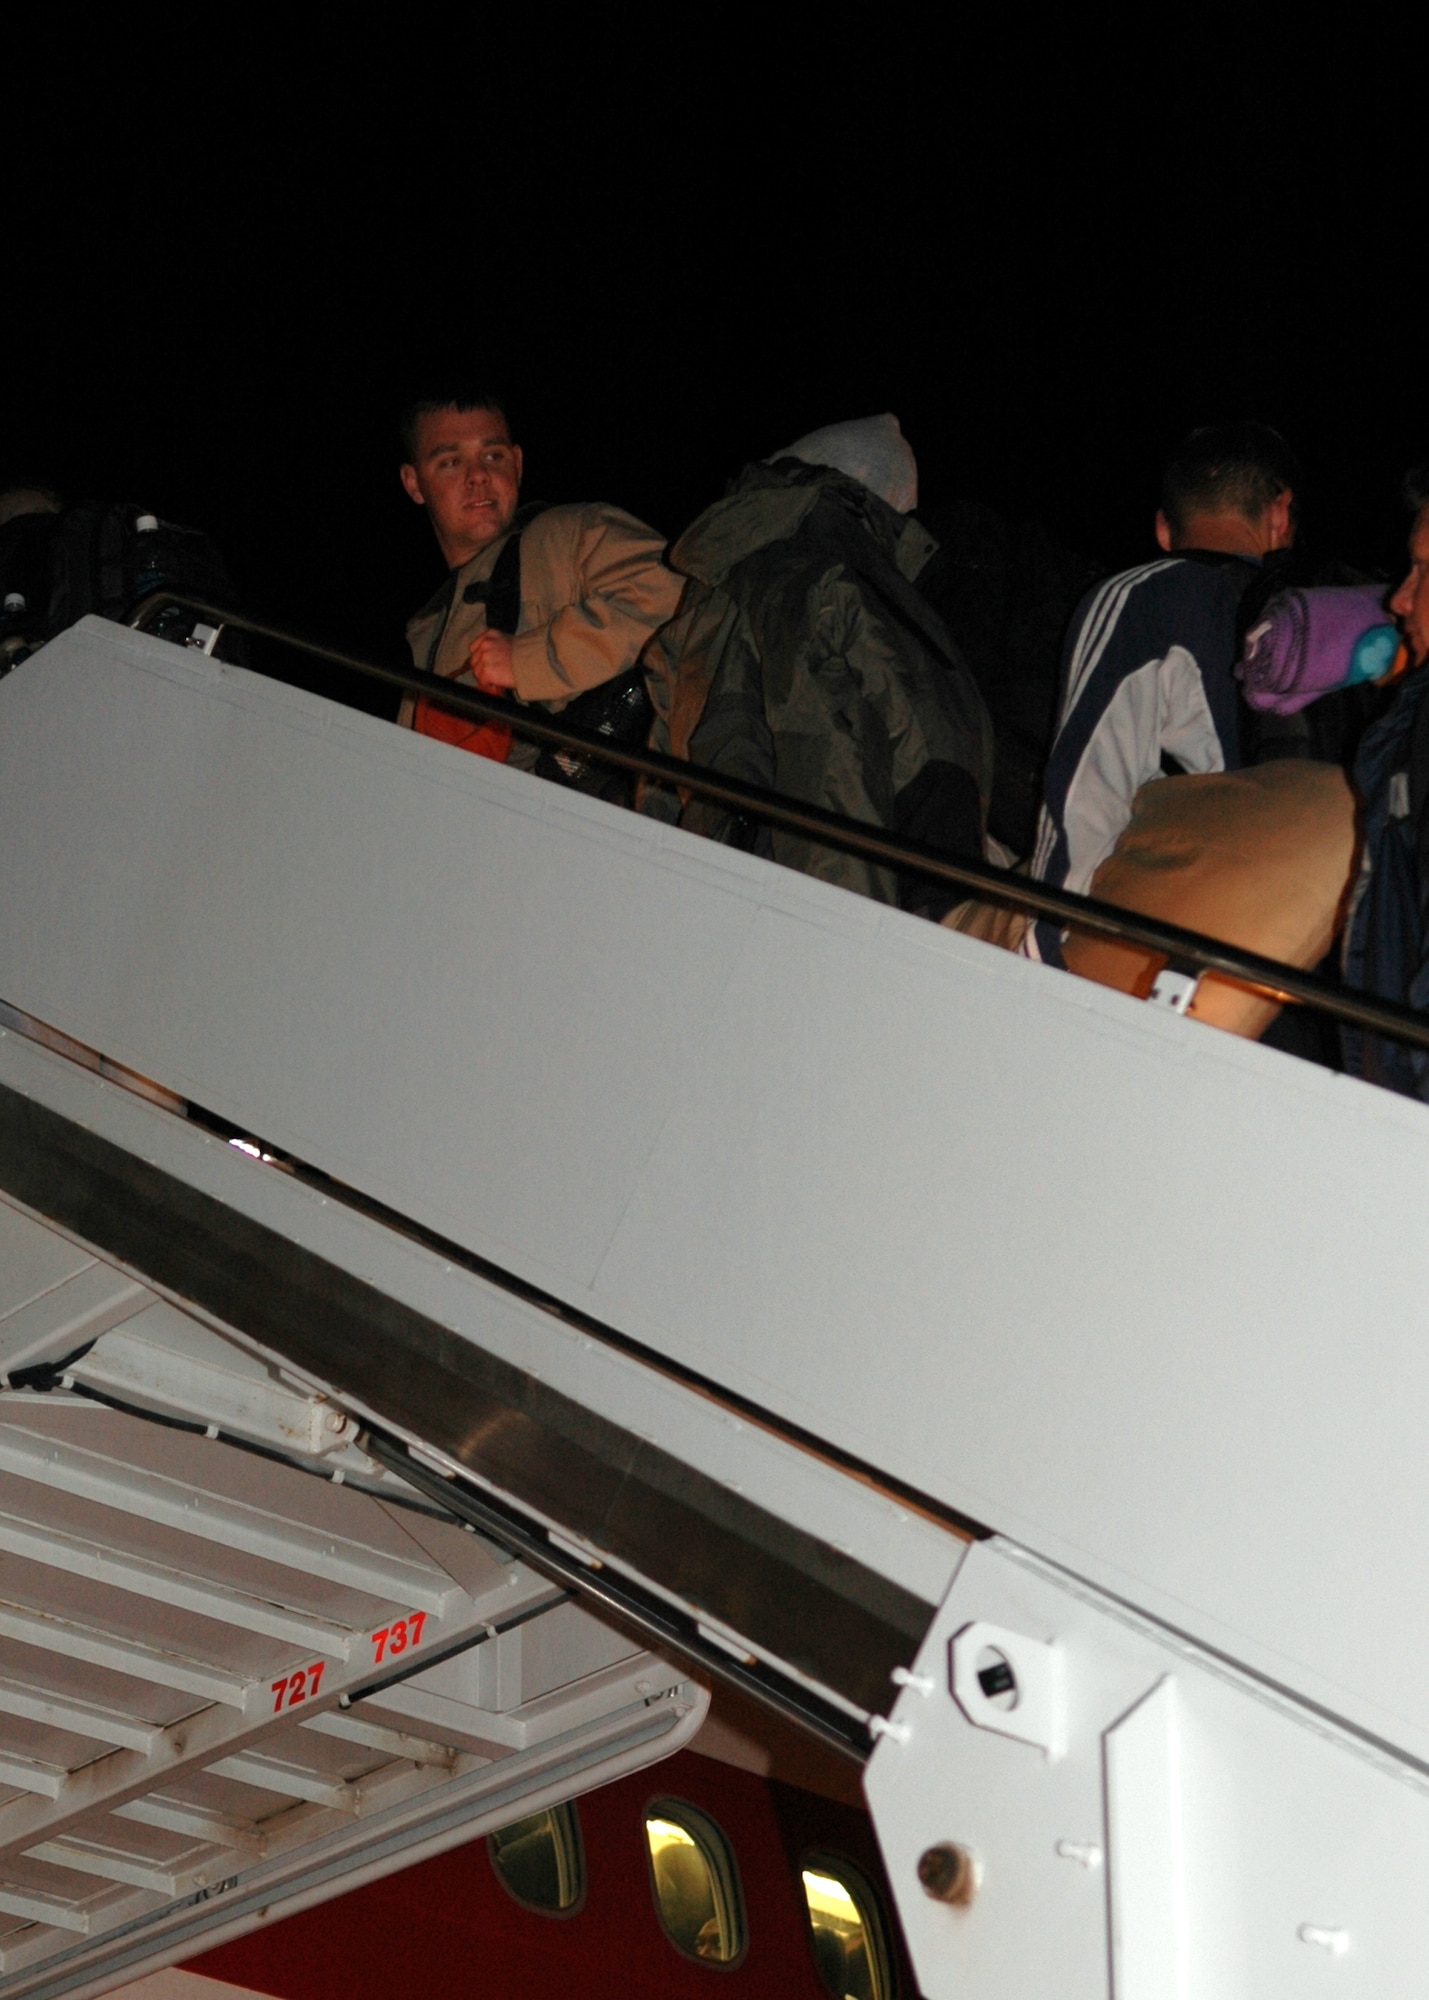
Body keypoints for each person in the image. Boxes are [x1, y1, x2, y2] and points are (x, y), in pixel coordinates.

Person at [640, 414, 994, 920]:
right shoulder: (833, 569)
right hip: (812, 906)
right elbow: (847, 755)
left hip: (714, 888)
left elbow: (665, 764)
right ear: (876, 496)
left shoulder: (725, 580)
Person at [1026, 422, 1300, 965]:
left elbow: (1085, 794)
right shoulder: (1325, 625)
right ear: (1279, 515)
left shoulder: (1146, 598)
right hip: (1301, 960)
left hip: (1188, 955)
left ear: (1162, 528)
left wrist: (1043, 952)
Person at [398, 388, 684, 780]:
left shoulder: (568, 535)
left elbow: (673, 596)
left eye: (493, 455)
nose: (478, 475)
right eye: (450, 462)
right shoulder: (425, 631)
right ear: (413, 483)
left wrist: (526, 660)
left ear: (516, 464)